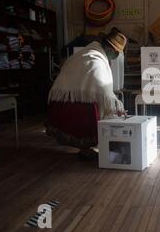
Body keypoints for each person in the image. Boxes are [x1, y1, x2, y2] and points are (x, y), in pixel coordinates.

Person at [46, 27, 127, 156]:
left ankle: (85, 148)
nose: (115, 57)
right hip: (79, 107)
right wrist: (117, 105)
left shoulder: (85, 52)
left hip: (61, 102)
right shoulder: (97, 61)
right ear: (111, 49)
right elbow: (104, 93)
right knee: (98, 108)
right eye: (116, 53)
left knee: (91, 101)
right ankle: (91, 146)